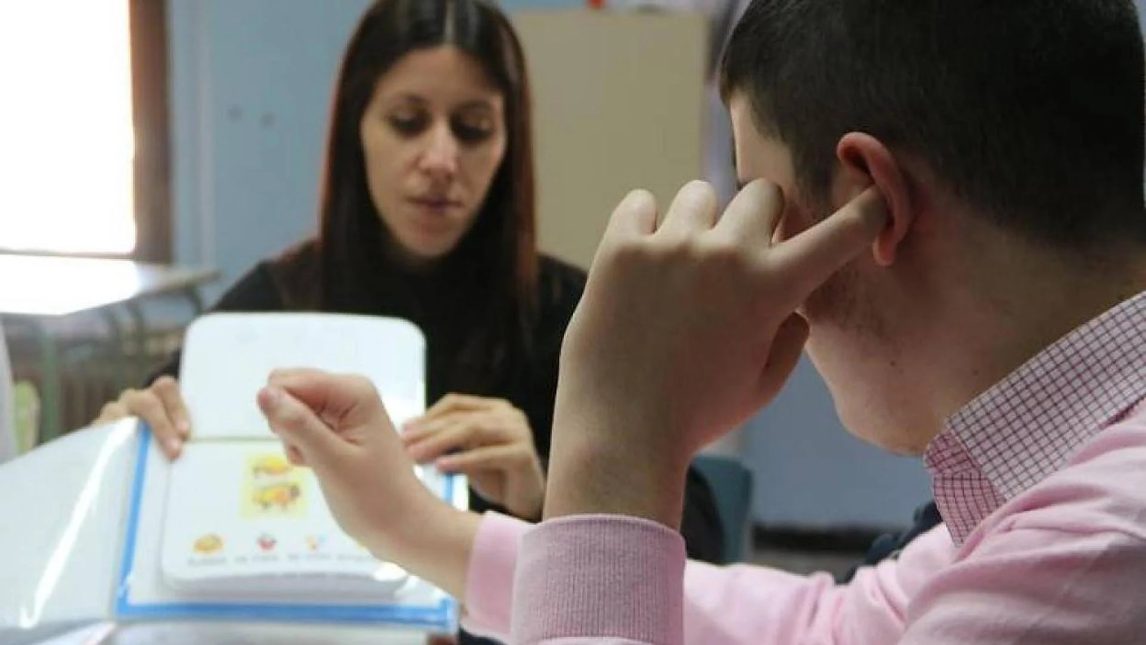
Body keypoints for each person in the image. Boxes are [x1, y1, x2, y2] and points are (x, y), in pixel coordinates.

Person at [255, 0, 1146, 642]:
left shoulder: (1095, 557)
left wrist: (614, 448)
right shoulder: (1066, 477)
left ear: (872, 201)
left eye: (766, 208)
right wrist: (411, 524)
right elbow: (837, 625)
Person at [93, 0, 723, 614]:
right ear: (355, 129)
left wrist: (548, 496)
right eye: (407, 121)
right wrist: (122, 446)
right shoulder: (276, 305)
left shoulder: (576, 317)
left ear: (509, 141)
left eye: (473, 128)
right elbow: (125, 487)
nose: (441, 160)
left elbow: (704, 548)